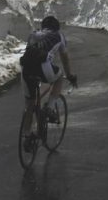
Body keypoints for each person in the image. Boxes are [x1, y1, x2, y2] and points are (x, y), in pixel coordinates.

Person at [20, 15, 77, 149]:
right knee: (59, 76)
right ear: (56, 27)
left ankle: (26, 136)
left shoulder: (33, 35)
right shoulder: (59, 36)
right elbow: (65, 58)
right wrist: (69, 75)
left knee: (30, 104)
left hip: (25, 69)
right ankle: (50, 108)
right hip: (44, 68)